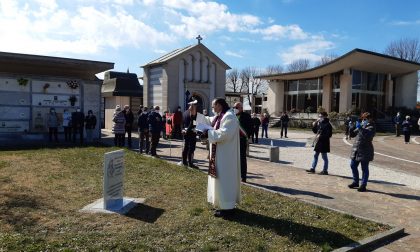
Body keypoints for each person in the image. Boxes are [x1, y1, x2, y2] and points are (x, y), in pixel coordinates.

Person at [203, 98, 240, 218]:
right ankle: (223, 206)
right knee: (220, 180)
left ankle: (228, 209)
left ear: (219, 105)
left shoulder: (229, 117)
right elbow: (209, 121)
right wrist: (194, 114)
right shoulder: (221, 116)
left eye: (214, 106)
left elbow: (223, 134)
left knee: (225, 181)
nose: (212, 109)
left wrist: (207, 133)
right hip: (220, 154)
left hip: (226, 157)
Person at [348, 112, 376, 192]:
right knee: (353, 165)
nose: (363, 120)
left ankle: (363, 185)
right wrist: (351, 127)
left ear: (370, 119)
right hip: (356, 149)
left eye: (365, 119)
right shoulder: (362, 125)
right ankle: (355, 181)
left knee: (364, 168)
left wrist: (360, 128)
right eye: (363, 119)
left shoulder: (372, 126)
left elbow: (368, 136)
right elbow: (353, 134)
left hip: (365, 150)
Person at [233, 102, 252, 182]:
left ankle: (243, 176)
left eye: (237, 107)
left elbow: (250, 128)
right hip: (233, 140)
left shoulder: (246, 116)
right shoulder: (232, 116)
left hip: (241, 140)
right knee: (233, 158)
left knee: (242, 159)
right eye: (234, 107)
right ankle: (234, 175)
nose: (235, 109)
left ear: (241, 108)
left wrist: (246, 135)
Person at [181, 100, 199, 168]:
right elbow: (192, 124)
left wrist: (183, 129)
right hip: (191, 133)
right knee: (191, 148)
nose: (195, 107)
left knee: (186, 148)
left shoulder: (185, 112)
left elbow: (182, 123)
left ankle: (184, 162)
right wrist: (187, 131)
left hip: (186, 132)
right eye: (195, 105)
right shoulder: (193, 113)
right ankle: (190, 163)